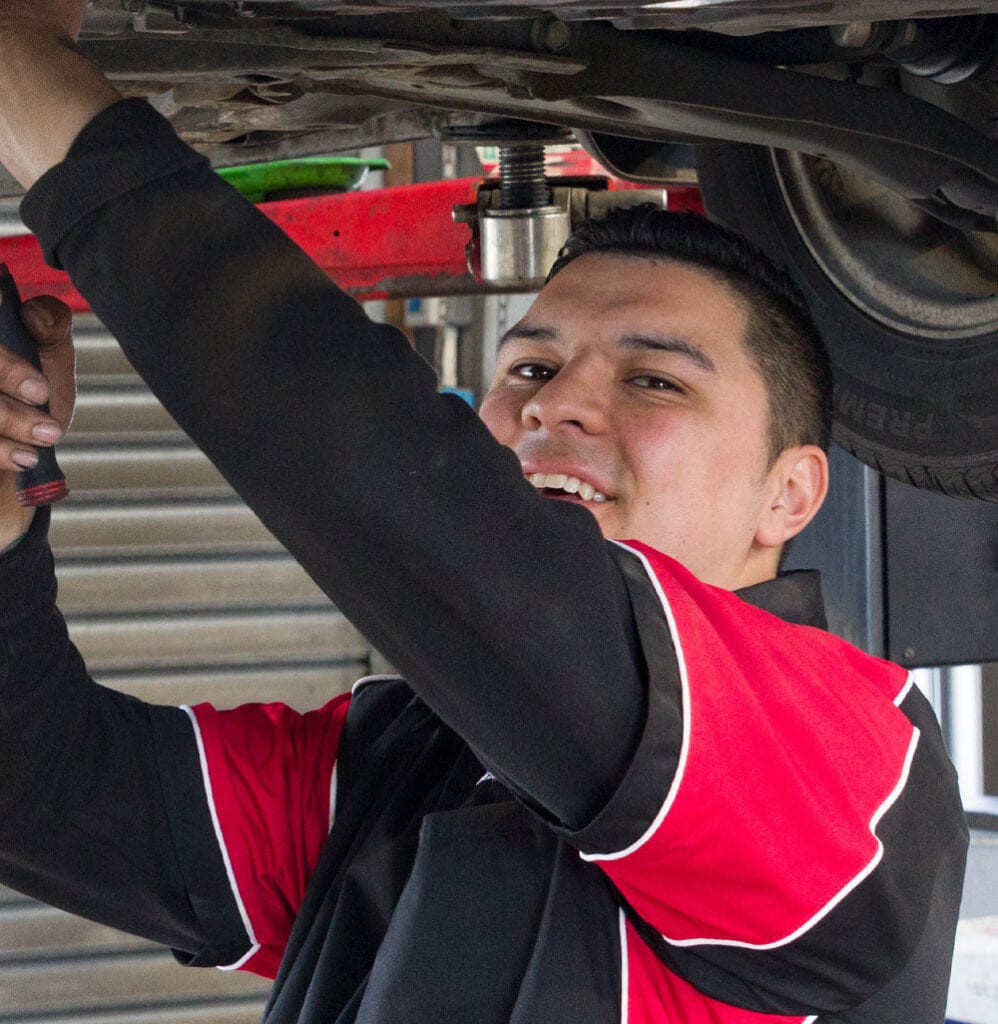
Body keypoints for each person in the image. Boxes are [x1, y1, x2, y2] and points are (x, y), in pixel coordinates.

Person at [0, 4, 968, 1023]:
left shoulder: (847, 765)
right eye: (531, 367)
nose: (553, 404)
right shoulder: (406, 761)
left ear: (791, 492)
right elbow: (43, 786)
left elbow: (410, 497)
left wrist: (31, 78)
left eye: (653, 383)